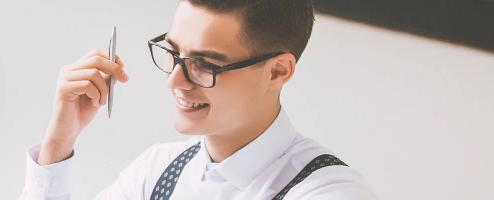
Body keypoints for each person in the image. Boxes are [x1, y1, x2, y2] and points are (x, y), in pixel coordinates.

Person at [19, 0, 379, 199]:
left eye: (203, 64)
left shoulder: (329, 194)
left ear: (277, 72)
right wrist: (59, 143)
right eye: (172, 52)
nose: (175, 79)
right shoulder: (157, 170)